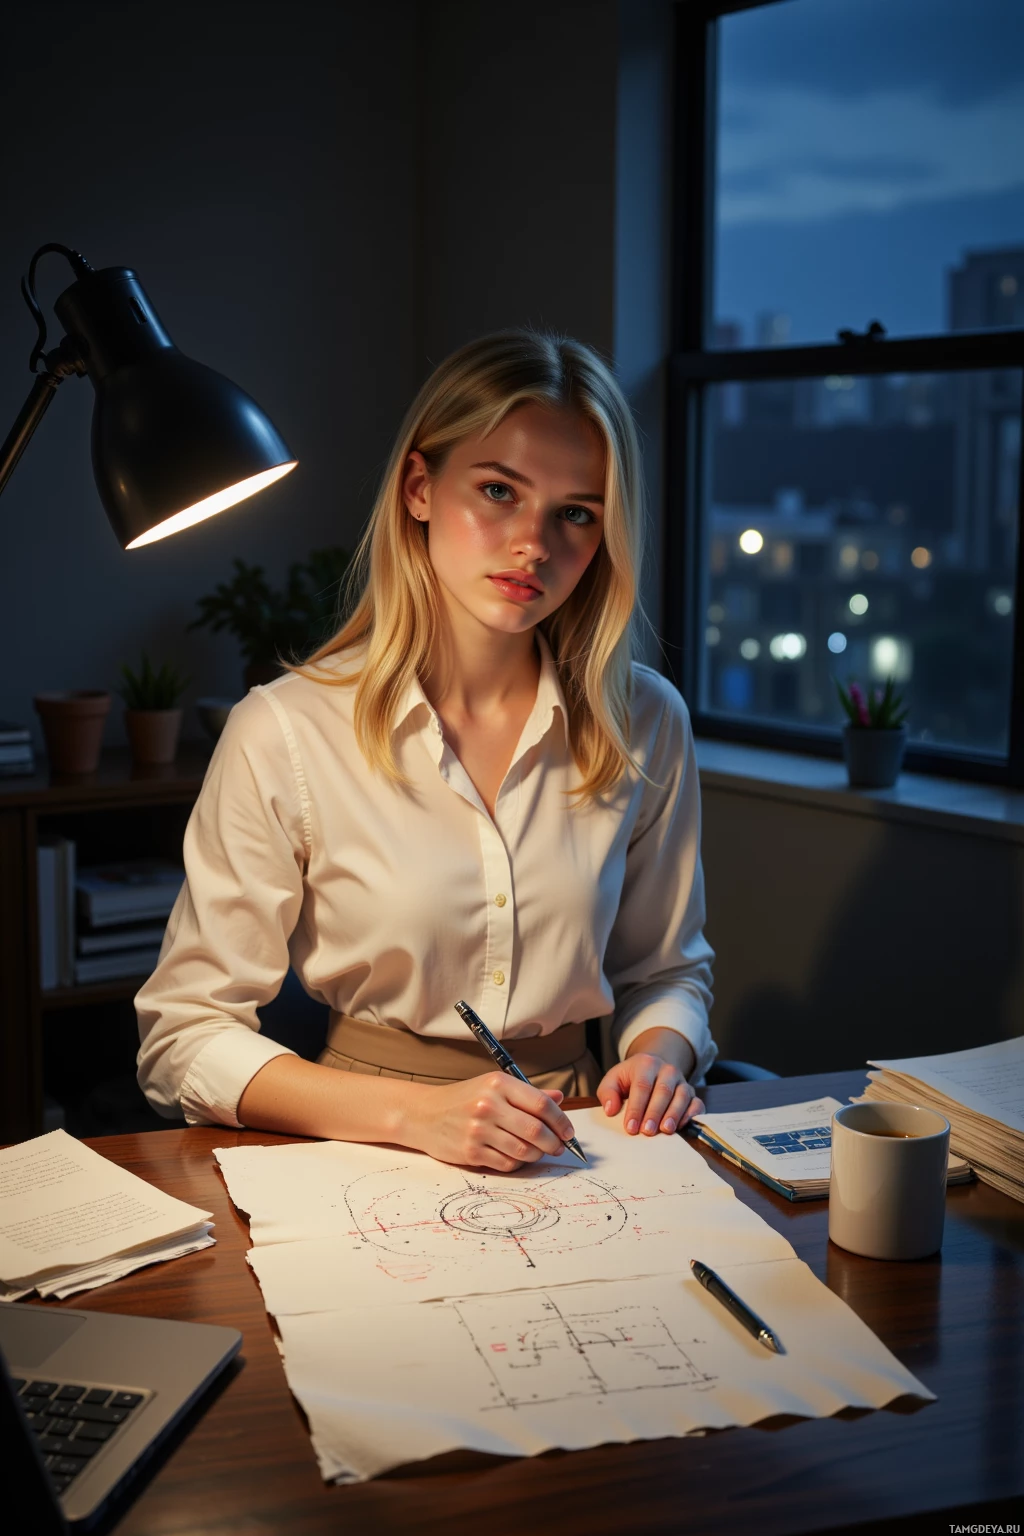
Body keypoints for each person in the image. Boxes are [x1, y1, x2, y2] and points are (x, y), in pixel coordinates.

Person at [136, 329, 716, 1172]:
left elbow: (669, 970)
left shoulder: (646, 720)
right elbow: (181, 1036)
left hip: (589, 1144)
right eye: (497, 490)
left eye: (576, 513)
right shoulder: (287, 730)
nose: (533, 544)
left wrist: (660, 1057)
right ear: (419, 487)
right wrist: (417, 1116)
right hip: (369, 1147)